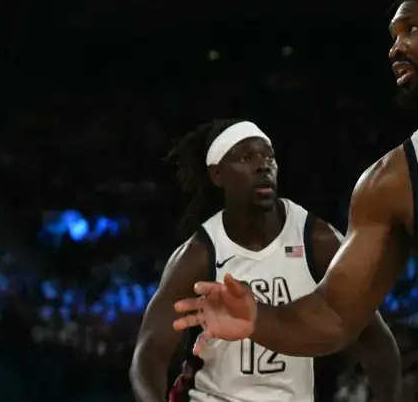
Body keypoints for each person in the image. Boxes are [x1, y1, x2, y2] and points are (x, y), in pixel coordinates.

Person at [173, 0, 418, 360]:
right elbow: (335, 315)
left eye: (413, 29)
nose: (396, 48)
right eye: (393, 36)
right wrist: (258, 318)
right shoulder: (394, 183)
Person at [130, 120, 399, 402]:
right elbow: (149, 354)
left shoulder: (317, 240)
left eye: (269, 157)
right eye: (247, 158)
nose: (263, 166)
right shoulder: (199, 254)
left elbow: (376, 339)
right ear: (217, 174)